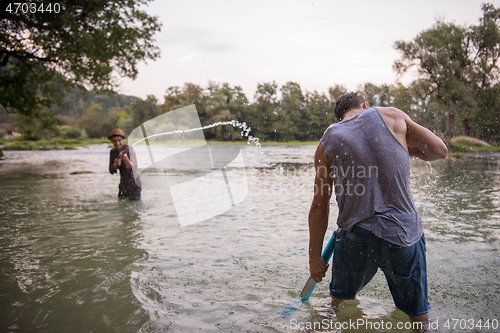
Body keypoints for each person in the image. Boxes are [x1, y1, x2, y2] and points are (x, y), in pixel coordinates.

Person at [308, 92, 447, 329]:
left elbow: (320, 206)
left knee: (337, 305)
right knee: (419, 318)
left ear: (340, 116)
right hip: (403, 235)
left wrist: (314, 257)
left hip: (356, 238)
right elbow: (439, 150)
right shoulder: (392, 115)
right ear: (365, 105)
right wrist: (408, 148)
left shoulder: (326, 143)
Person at [108, 128, 141, 201]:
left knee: (133, 207)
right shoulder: (113, 152)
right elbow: (111, 171)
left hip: (135, 183)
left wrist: (125, 157)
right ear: (111, 141)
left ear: (123, 139)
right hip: (123, 184)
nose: (117, 143)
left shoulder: (129, 149)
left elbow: (133, 168)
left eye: (119, 140)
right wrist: (115, 164)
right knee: (121, 206)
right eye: (114, 141)